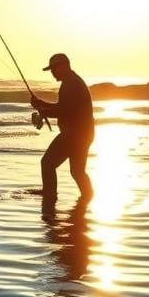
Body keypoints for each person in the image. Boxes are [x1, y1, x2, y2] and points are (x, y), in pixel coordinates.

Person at [30, 53, 94, 205]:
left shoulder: (70, 84)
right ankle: (88, 196)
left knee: (47, 163)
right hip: (83, 134)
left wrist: (44, 109)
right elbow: (63, 108)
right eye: (51, 69)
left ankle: (50, 195)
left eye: (54, 68)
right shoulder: (72, 81)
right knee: (77, 171)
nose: (52, 72)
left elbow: (66, 111)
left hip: (74, 135)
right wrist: (42, 104)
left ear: (64, 66)